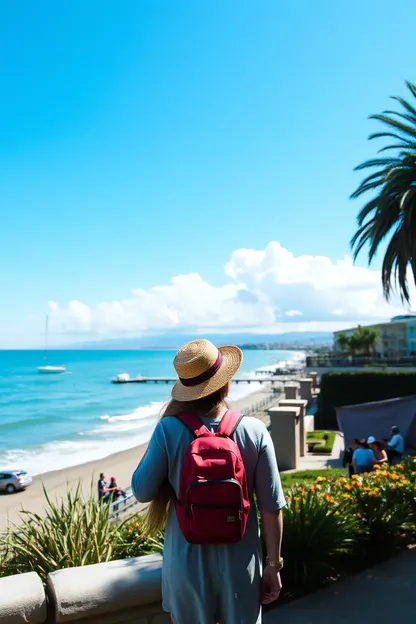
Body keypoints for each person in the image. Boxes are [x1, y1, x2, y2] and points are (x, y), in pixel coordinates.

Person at [131, 339, 286, 624]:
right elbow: (272, 507)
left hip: (186, 566)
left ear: (185, 389)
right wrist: (273, 566)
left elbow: (141, 491)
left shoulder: (169, 429)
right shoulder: (254, 430)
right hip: (242, 565)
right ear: (226, 383)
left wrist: (160, 440)